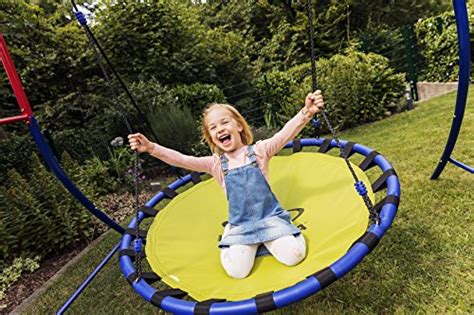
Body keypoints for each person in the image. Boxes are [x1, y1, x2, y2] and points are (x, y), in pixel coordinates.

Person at [128, 90, 324, 279]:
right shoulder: (215, 164)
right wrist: (151, 148)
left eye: (224, 122)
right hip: (241, 226)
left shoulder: (260, 151)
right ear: (211, 137)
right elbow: (182, 159)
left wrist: (306, 112)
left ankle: (284, 229)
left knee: (294, 256)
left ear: (239, 126)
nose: (219, 129)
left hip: (270, 218)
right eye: (213, 128)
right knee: (237, 272)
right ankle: (230, 236)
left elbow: (284, 134)